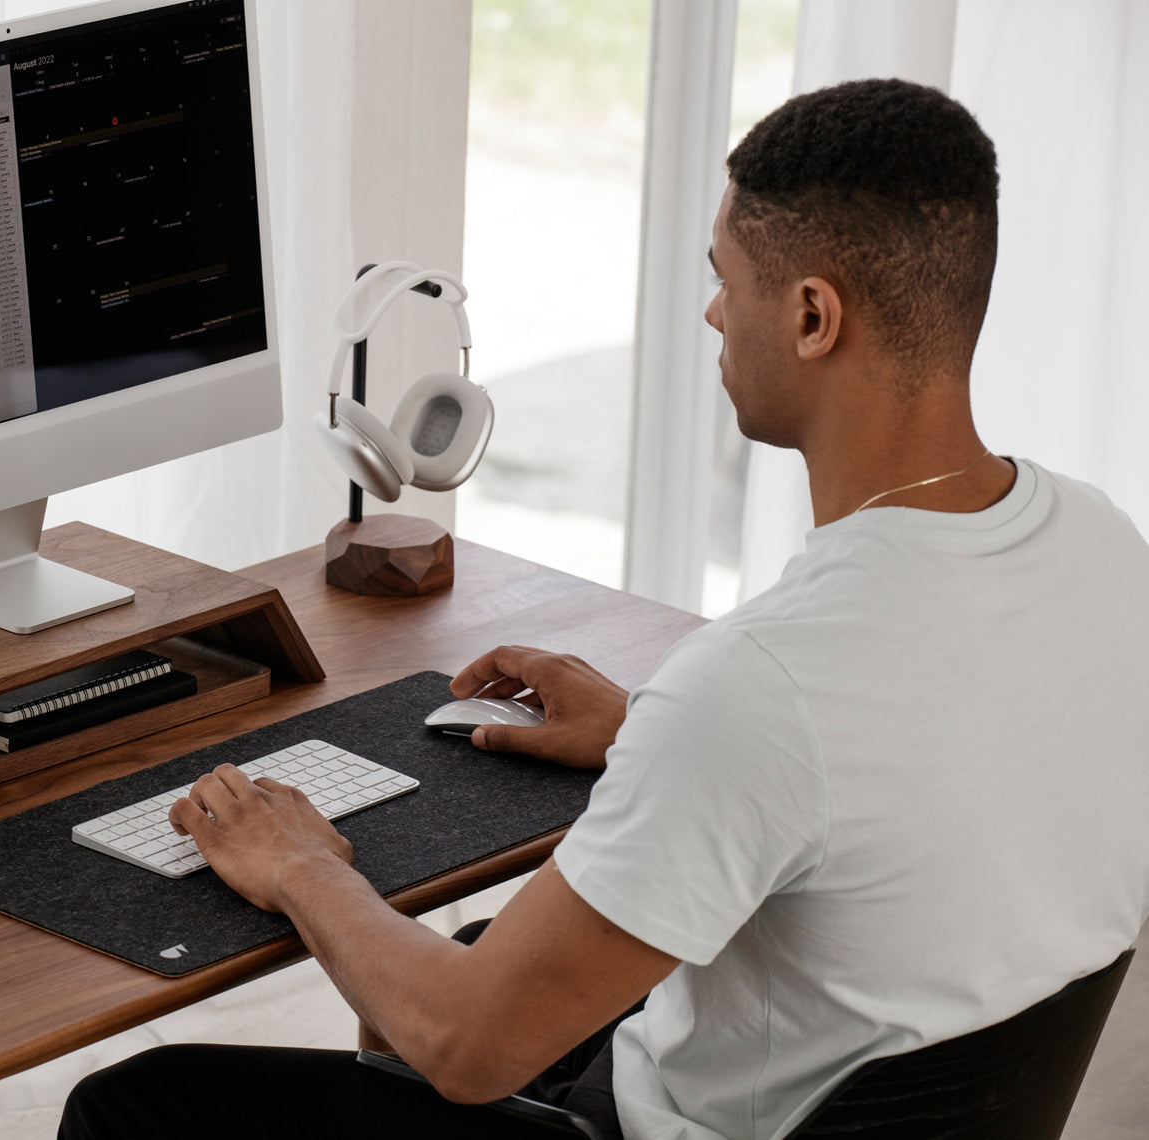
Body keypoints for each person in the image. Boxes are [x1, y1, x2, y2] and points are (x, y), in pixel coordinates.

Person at [59, 78, 1149, 1140]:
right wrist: (650, 737)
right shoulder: (1103, 546)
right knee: (493, 951)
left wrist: (299, 865)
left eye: (728, 280)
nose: (715, 311)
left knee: (135, 1105)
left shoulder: (760, 684)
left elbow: (467, 1045)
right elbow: (932, 753)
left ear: (814, 315)